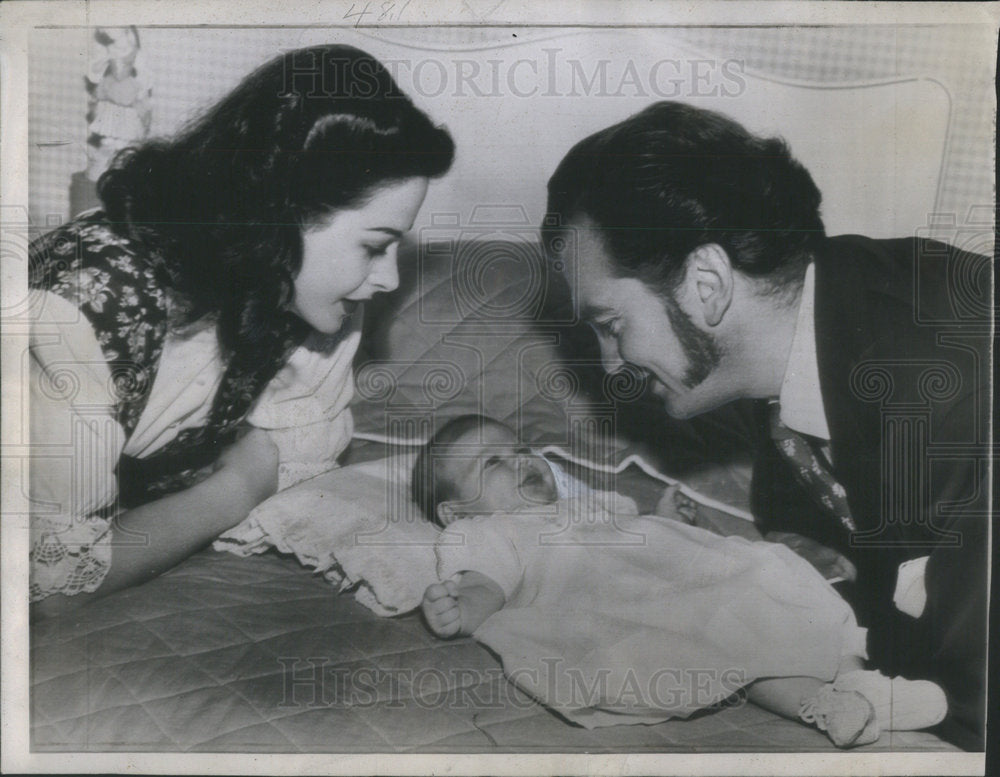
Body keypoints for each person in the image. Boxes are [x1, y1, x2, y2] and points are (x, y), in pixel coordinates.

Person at [541, 101, 989, 746]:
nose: (612, 366)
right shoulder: (797, 364)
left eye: (612, 325)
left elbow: (969, 689)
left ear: (706, 283)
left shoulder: (951, 372)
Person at [28, 44, 455, 618]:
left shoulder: (308, 291)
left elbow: (293, 461)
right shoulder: (84, 310)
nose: (389, 278)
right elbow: (51, 585)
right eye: (374, 246)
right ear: (279, 212)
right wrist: (232, 491)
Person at [416, 415, 947, 746]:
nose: (520, 462)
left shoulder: (591, 503)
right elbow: (486, 584)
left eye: (521, 449)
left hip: (679, 581)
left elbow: (648, 544)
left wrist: (668, 519)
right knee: (732, 652)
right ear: (452, 510)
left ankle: (853, 682)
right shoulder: (489, 529)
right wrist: (460, 609)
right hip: (623, 607)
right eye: (493, 463)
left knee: (766, 576)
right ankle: (837, 699)